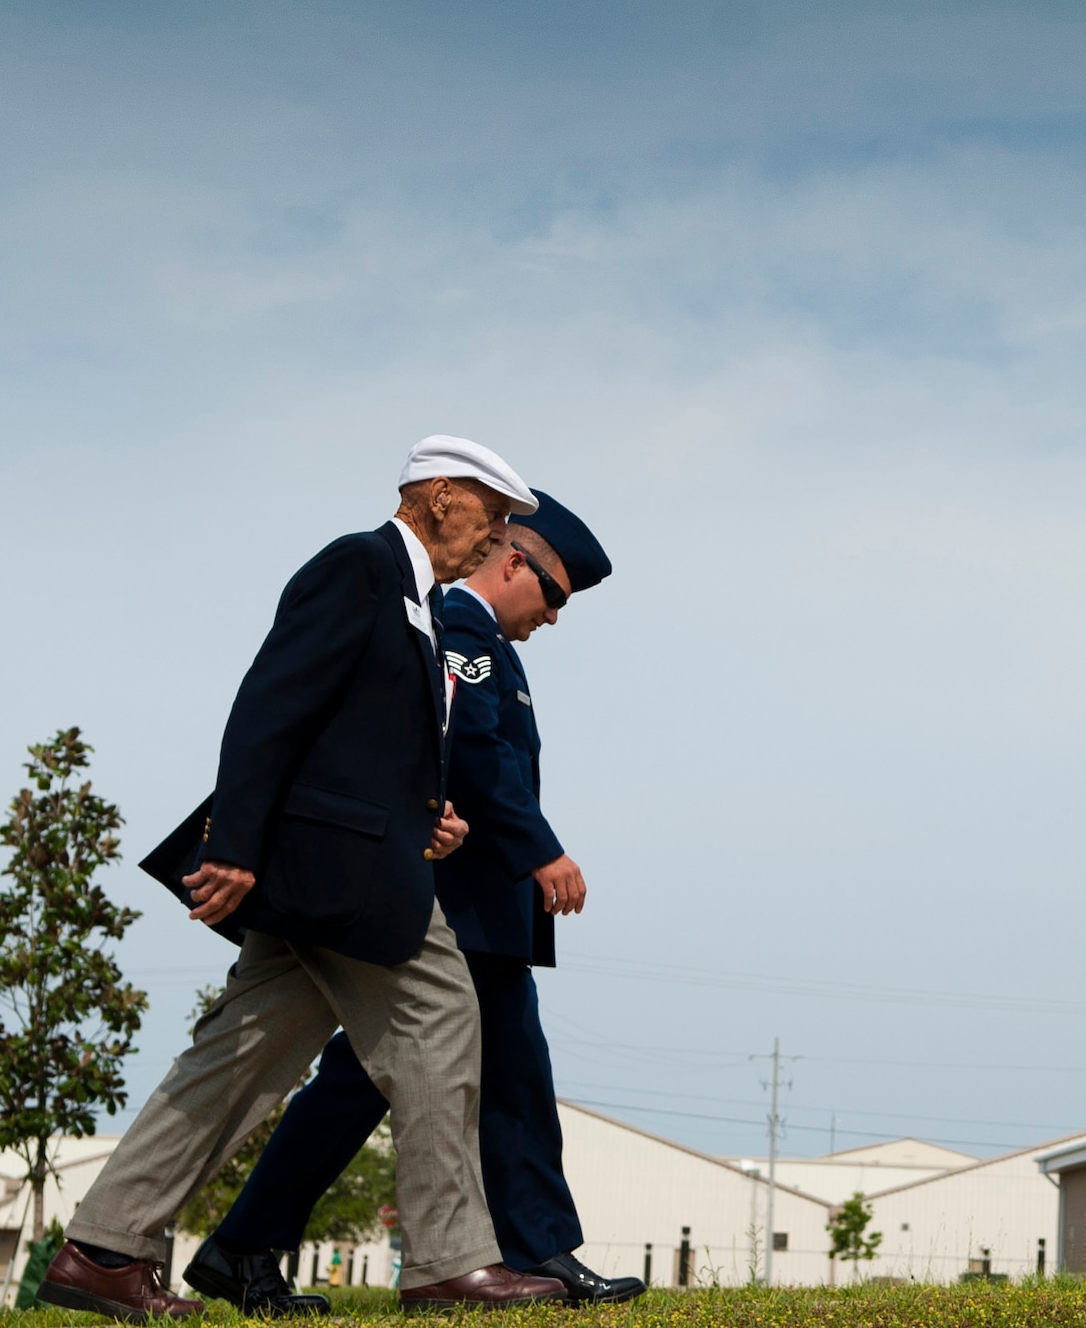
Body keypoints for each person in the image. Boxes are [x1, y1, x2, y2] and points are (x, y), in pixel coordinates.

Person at [40, 437, 568, 1320]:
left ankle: (103, 1250)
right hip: (338, 873)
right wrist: (235, 844)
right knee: (443, 1018)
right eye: (494, 513)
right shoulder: (357, 565)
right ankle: (450, 1262)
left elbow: (360, 739)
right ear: (440, 497)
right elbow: (271, 703)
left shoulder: (422, 603)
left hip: (347, 865)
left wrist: (425, 812)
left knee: (239, 1058)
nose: (500, 536)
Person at [190, 491, 643, 1308]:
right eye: (555, 596)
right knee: (507, 1078)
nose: (554, 616)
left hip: (463, 908)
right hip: (457, 906)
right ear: (515, 563)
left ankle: (243, 1243)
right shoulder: (460, 627)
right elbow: (473, 750)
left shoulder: (483, 640)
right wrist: (542, 850)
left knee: (362, 1086)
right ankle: (539, 1250)